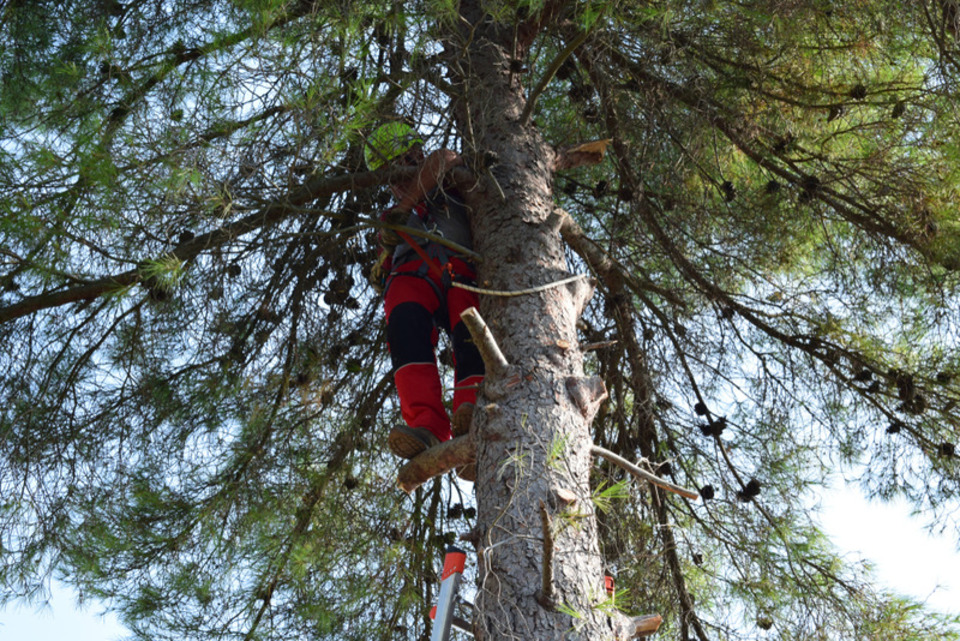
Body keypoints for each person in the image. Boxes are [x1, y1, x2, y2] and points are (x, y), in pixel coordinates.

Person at [365, 122, 484, 468]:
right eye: (390, 173)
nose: (398, 176)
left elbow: (445, 158)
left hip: (459, 269)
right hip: (415, 274)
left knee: (469, 325)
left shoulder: (448, 175)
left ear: (416, 153)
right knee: (402, 318)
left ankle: (474, 409)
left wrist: (409, 201)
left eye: (403, 162)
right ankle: (426, 424)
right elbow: (384, 262)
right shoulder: (389, 217)